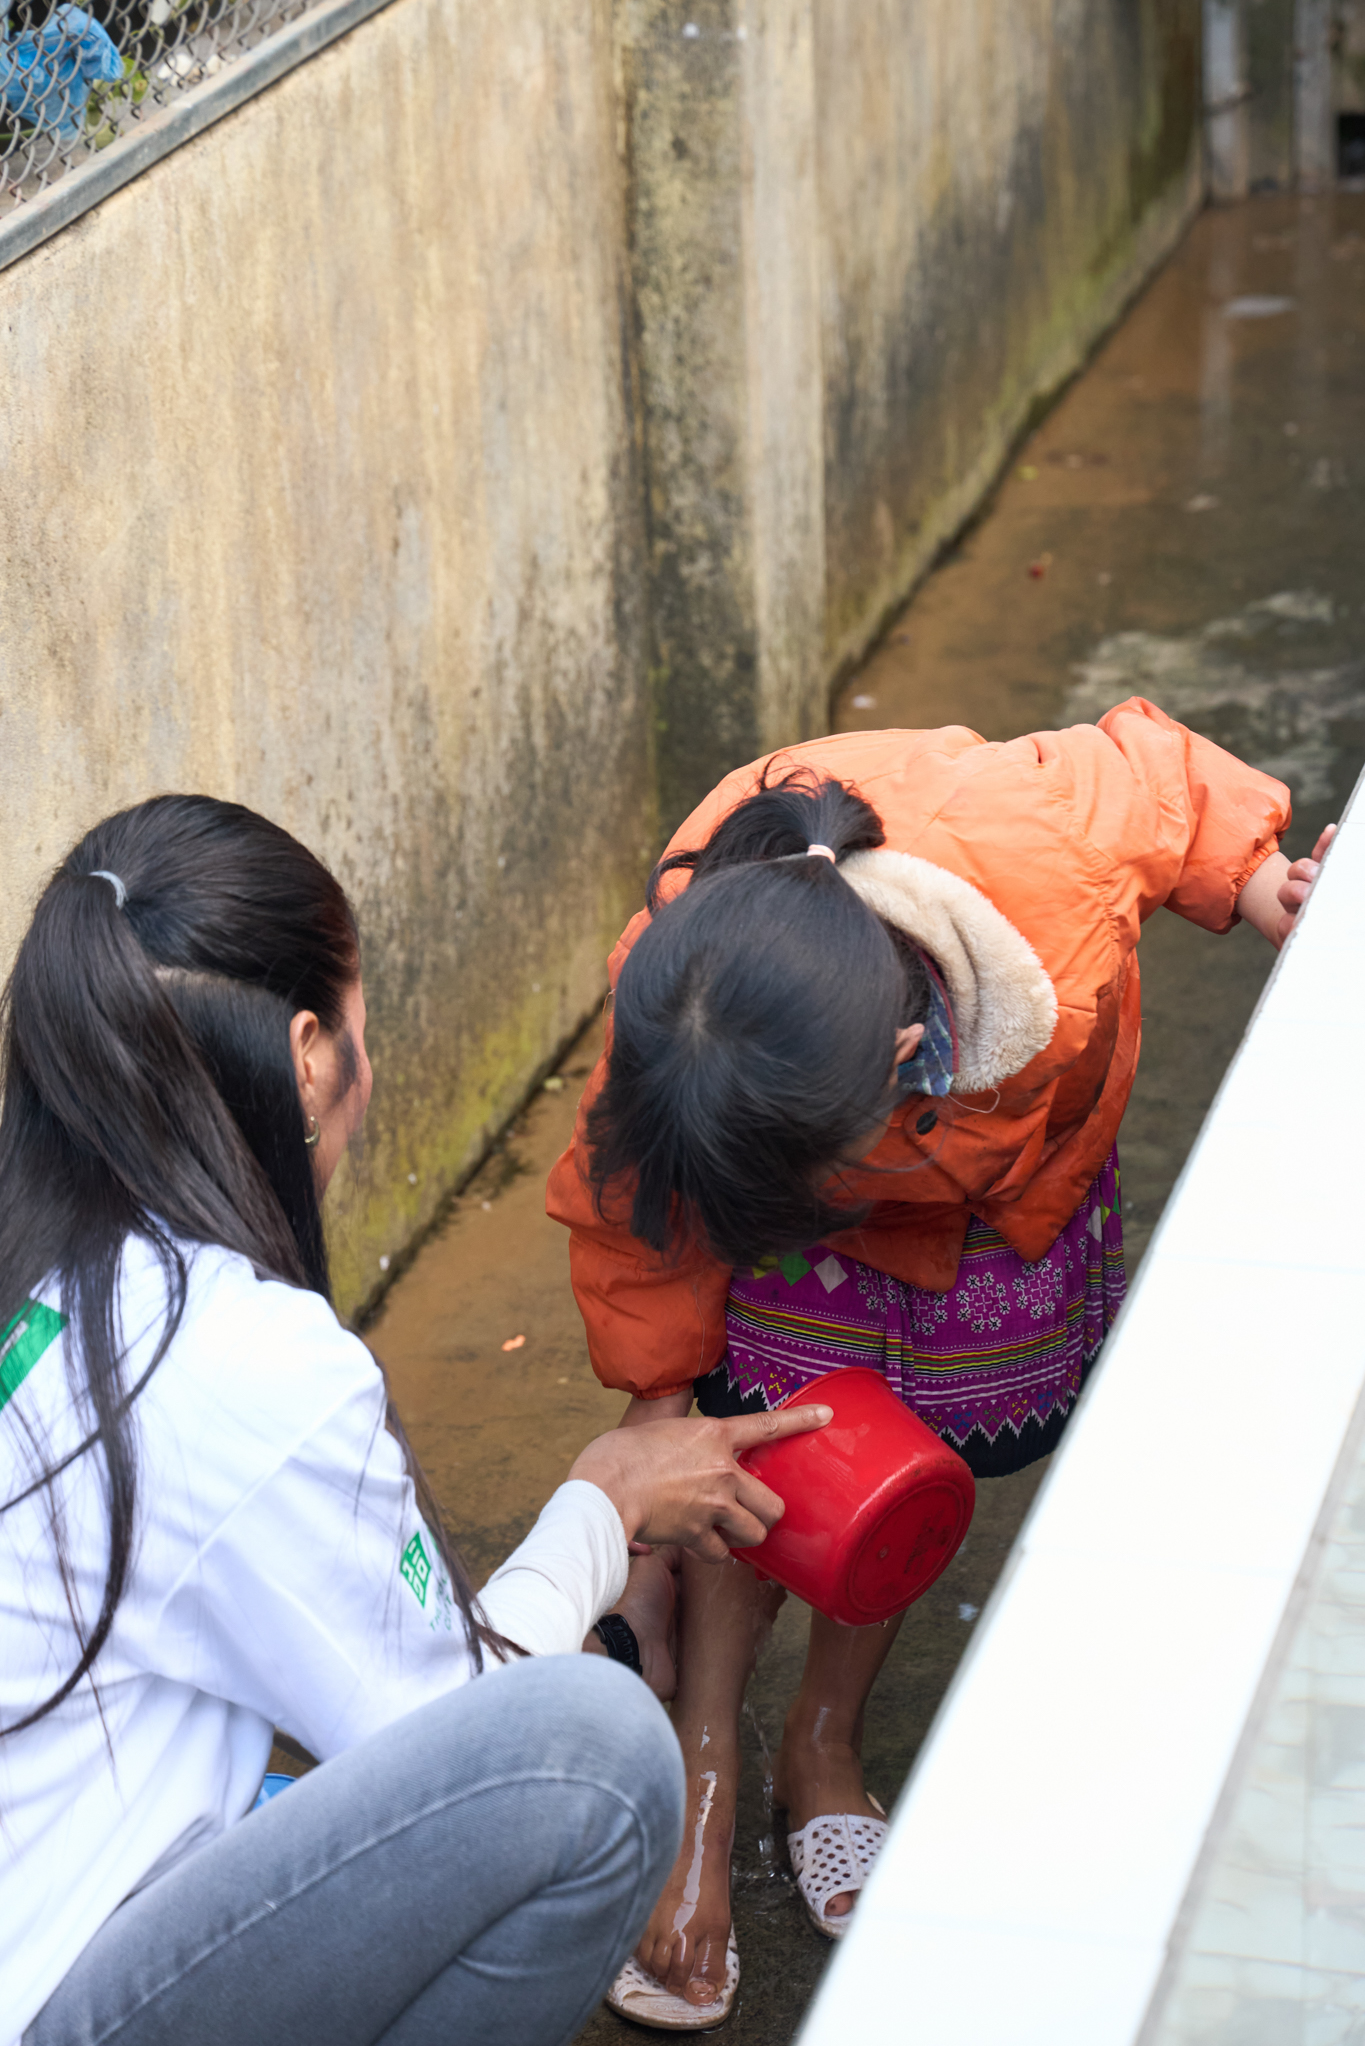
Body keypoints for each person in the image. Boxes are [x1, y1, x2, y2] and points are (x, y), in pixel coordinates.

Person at [548, 696, 1334, 2027]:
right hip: (795, 1199)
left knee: (903, 1483)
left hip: (997, 1197)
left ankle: (823, 1743)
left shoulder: (1040, 844)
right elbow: (635, 1204)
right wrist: (658, 1411)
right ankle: (704, 1759)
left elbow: (1161, 776)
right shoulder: (684, 995)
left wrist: (1256, 879)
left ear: (905, 1059)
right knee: (755, 1448)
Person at [0, 794, 832, 2046]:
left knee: (280, 1784)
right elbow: (448, 1727)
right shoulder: (238, 1359)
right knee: (594, 1756)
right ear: (307, 1055)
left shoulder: (50, 1270)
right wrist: (604, 1503)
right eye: (363, 1023)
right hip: (50, 1995)